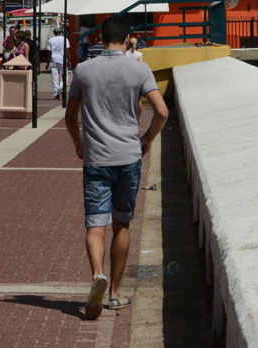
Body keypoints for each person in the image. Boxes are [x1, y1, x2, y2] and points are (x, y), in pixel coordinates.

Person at [65, 16, 169, 319]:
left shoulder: (83, 70)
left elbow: (70, 117)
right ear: (127, 40)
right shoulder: (139, 68)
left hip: (96, 158)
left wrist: (78, 144)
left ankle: (98, 275)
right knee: (122, 223)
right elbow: (161, 111)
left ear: (101, 40)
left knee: (95, 225)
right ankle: (114, 294)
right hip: (128, 157)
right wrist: (147, 138)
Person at [47, 27, 69, 99]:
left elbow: (49, 52)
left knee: (54, 77)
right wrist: (69, 60)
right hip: (62, 59)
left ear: (54, 33)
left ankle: (56, 92)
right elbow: (67, 50)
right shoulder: (65, 39)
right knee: (65, 76)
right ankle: (61, 87)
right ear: (61, 32)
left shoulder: (50, 40)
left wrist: (47, 62)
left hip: (53, 60)